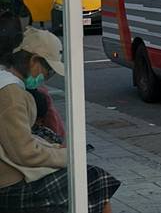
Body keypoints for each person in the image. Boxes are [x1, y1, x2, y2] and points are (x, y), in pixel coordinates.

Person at [0, 11, 120, 213]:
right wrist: (68, 157)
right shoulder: (11, 93)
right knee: (94, 180)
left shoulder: (11, 86)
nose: (47, 77)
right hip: (11, 183)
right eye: (49, 71)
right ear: (34, 61)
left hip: (13, 173)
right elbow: (25, 153)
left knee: (93, 182)